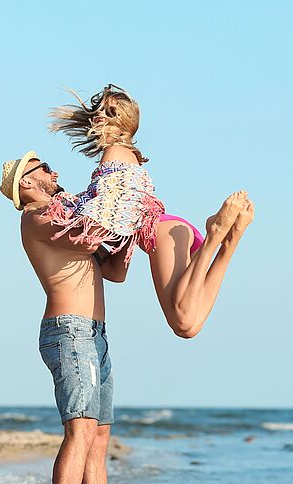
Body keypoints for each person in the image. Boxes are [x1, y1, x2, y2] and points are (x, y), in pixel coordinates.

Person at [46, 84, 255, 338]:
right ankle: (228, 242)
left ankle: (215, 234)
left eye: (110, 112)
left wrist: (67, 218)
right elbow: (117, 272)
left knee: (181, 318)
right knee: (188, 325)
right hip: (171, 230)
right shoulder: (126, 155)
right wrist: (91, 257)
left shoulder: (113, 153)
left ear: (125, 123)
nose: (100, 115)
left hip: (161, 232)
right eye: (100, 110)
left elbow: (108, 208)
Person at [0, 151, 126, 484]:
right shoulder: (37, 217)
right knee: (81, 430)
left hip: (95, 334)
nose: (55, 173)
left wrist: (133, 228)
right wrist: (115, 203)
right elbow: (88, 241)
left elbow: (115, 270)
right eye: (45, 169)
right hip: (69, 331)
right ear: (27, 182)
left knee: (99, 438)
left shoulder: (67, 217)